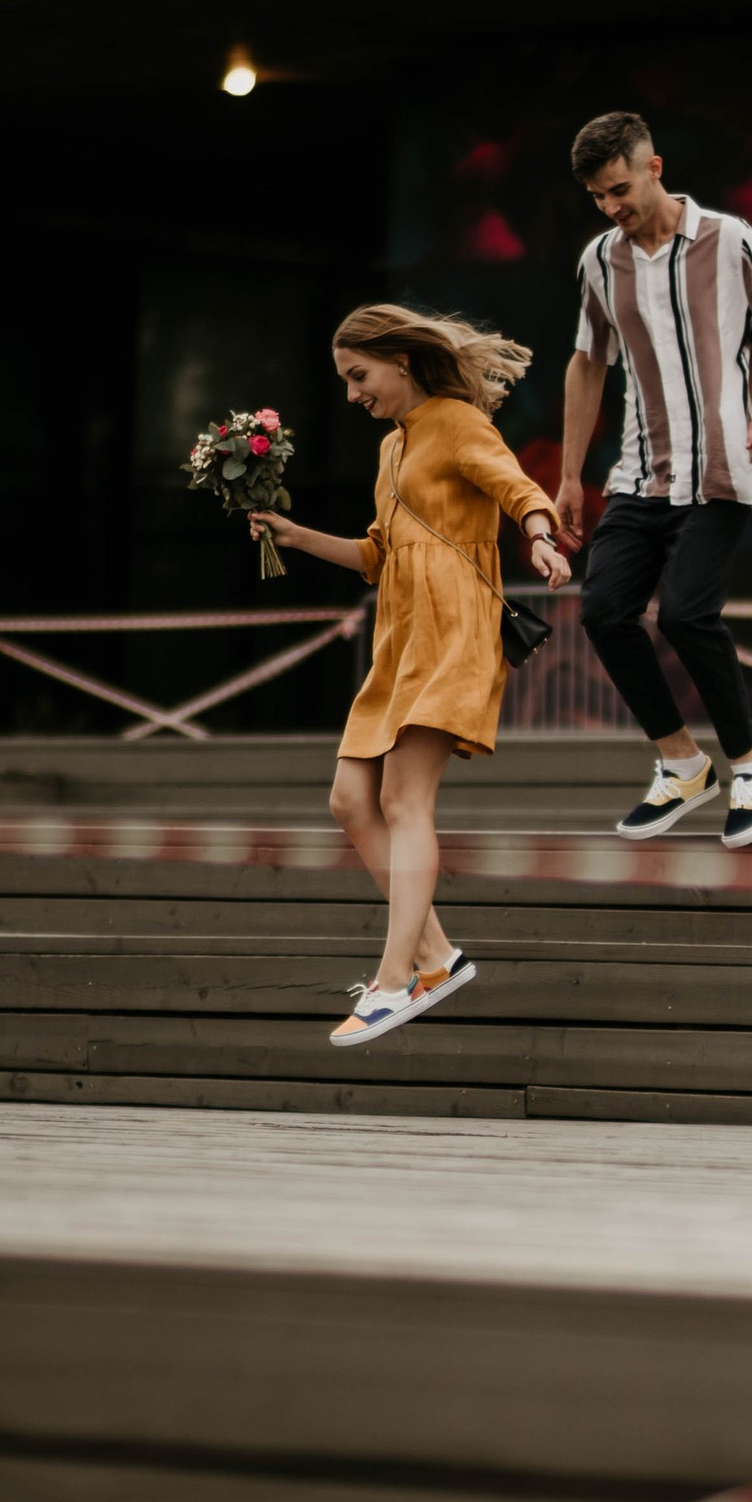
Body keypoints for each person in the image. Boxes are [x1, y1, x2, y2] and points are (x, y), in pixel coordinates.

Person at [252, 303, 571, 1047]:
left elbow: (516, 487)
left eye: (359, 375)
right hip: (399, 642)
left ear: (400, 360)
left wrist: (540, 537)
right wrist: (296, 536)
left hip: (455, 633)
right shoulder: (392, 447)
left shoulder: (458, 423)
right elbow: (377, 555)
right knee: (348, 800)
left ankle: (397, 978)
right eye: (345, 380)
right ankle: (437, 959)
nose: (352, 393)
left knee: (402, 798)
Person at [550, 108, 752, 847]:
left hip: (722, 469)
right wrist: (569, 477)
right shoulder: (600, 261)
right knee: (604, 611)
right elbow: (587, 362)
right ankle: (682, 764)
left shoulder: (731, 239)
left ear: (654, 168)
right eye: (598, 197)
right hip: (640, 474)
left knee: (686, 615)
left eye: (620, 189)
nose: (611, 207)